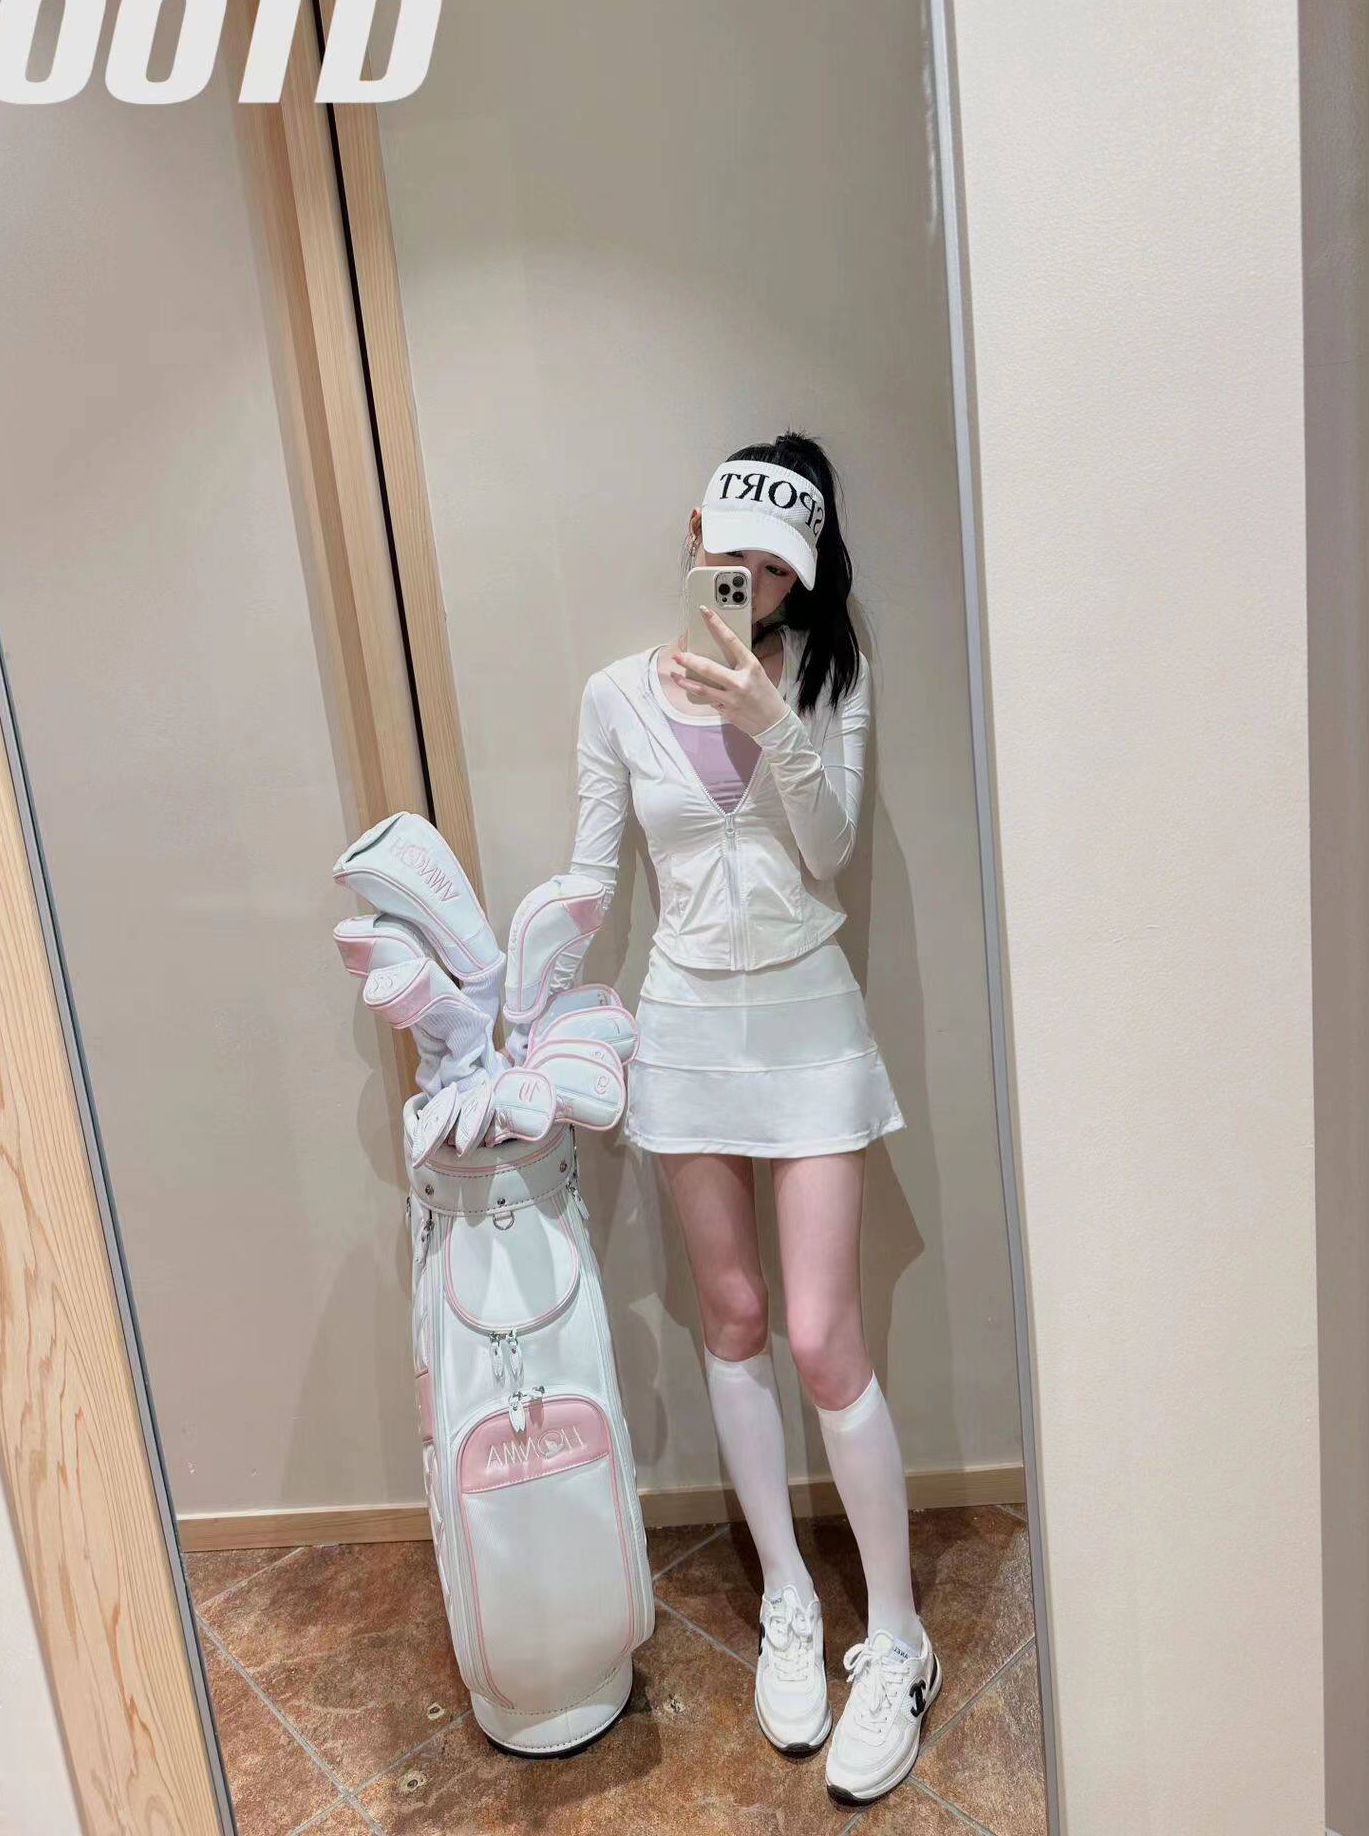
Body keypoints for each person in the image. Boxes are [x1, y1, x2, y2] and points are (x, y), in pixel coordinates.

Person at [566, 430, 940, 1805]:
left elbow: (828, 848)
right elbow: (593, 881)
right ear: (696, 535)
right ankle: (789, 1597)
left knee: (824, 1335)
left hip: (807, 1023)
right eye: (736, 558)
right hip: (683, 1029)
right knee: (729, 1316)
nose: (756, 587)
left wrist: (769, 717)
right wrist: (516, 1009)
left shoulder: (828, 679)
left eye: (781, 570)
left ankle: (895, 1640)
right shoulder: (614, 696)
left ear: (806, 574)